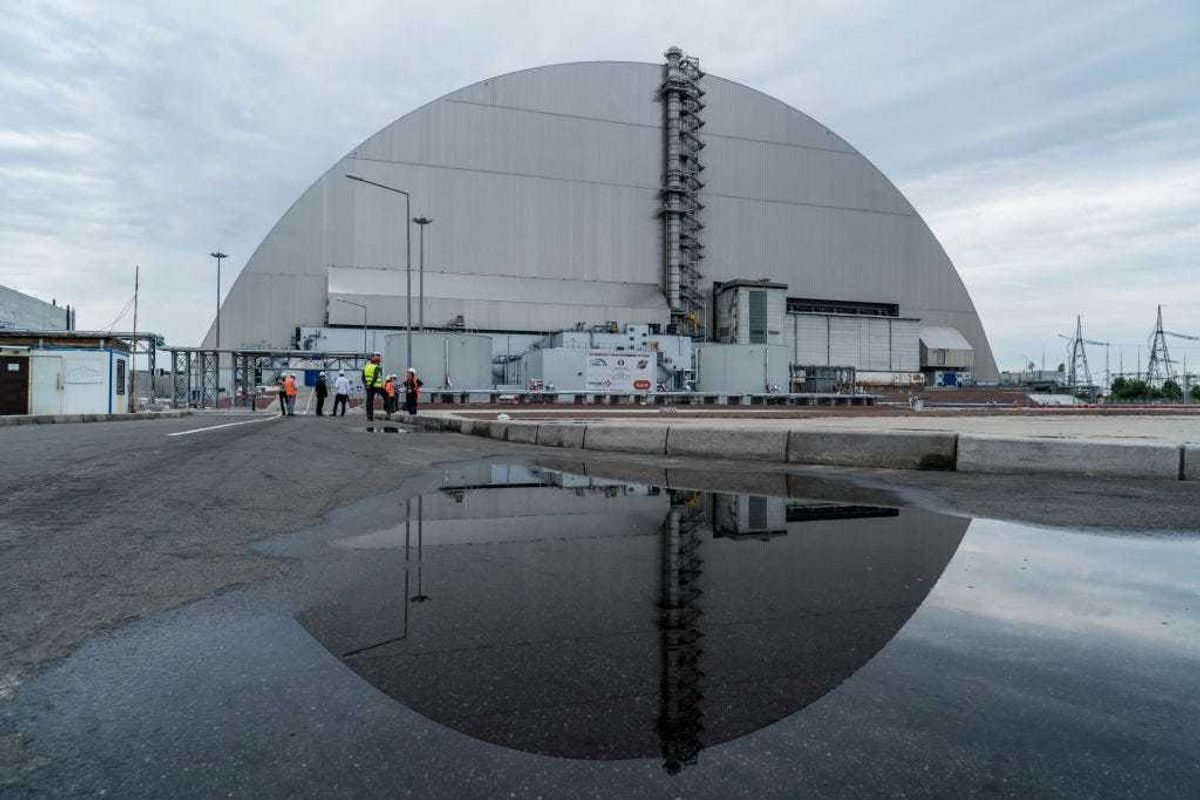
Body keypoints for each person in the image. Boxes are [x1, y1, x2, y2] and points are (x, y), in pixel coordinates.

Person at [362, 353, 384, 421]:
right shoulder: (377, 367)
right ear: (376, 362)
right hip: (375, 387)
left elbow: (363, 378)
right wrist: (371, 385)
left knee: (369, 402)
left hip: (368, 387)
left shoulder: (365, 367)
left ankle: (369, 417)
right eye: (379, 362)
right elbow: (376, 377)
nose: (379, 363)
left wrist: (367, 385)